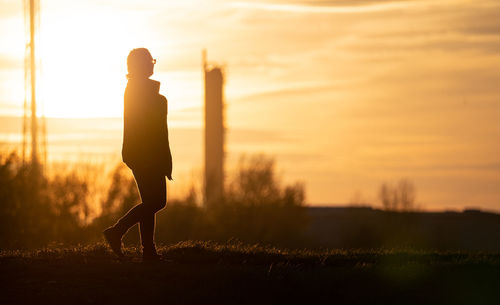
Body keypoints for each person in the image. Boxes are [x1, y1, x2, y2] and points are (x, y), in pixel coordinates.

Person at [103, 48, 173, 261]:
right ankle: (117, 231)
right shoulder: (137, 90)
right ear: (140, 66)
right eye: (150, 61)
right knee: (157, 201)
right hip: (145, 154)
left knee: (150, 201)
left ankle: (149, 251)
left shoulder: (138, 89)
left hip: (143, 153)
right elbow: (151, 123)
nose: (153, 64)